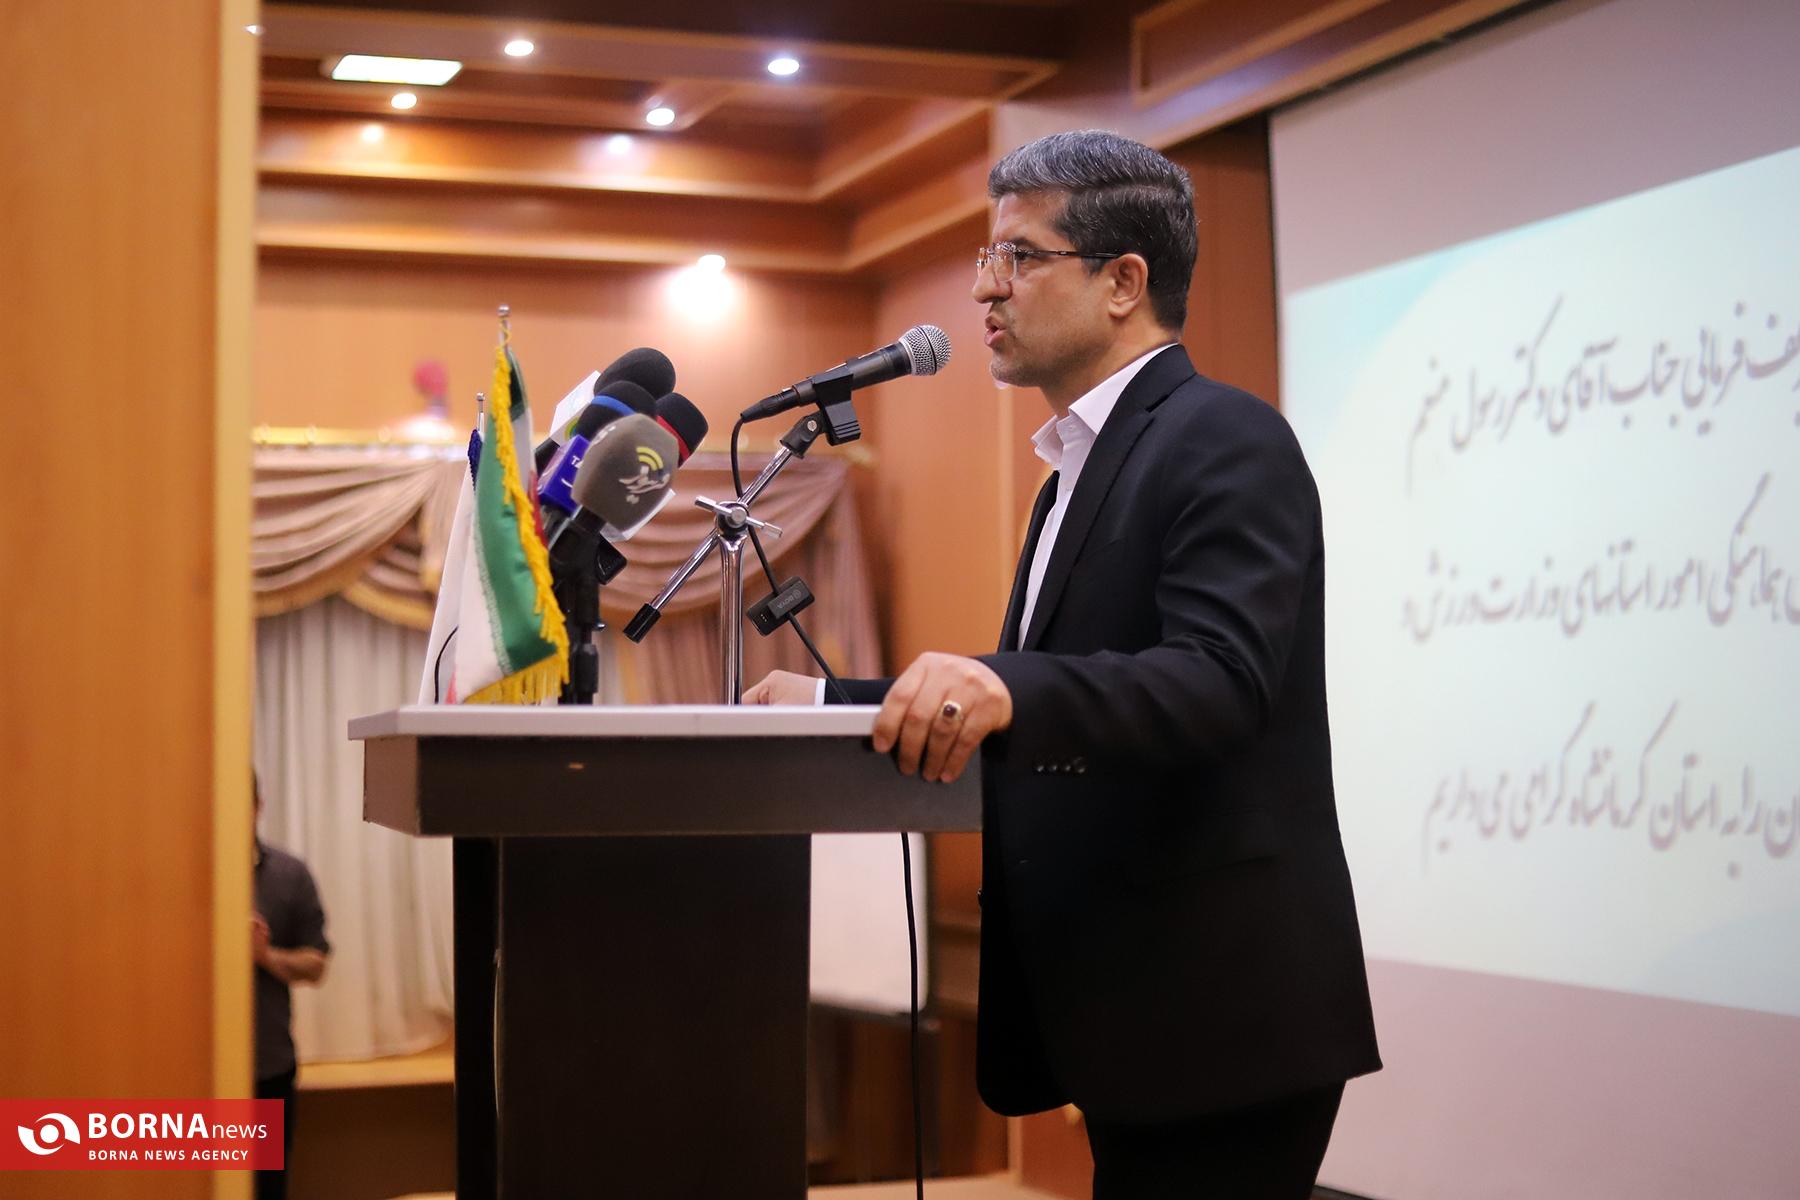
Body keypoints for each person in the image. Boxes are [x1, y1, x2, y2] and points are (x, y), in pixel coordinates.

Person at [745, 129, 1380, 1197]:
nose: (984, 290)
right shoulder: (1072, 474)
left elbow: (1219, 683)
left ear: (1124, 282)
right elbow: (1037, 694)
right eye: (986, 259)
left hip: (1223, 1012)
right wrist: (828, 703)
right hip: (1135, 1005)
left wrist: (1000, 684)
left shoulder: (1225, 436)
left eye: (1020, 258)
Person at [252, 773, 330, 1200]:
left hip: (268, 1069)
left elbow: (316, 965)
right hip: (193, 1073)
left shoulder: (289, 874)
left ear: (257, 806)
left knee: (267, 1190)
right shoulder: (182, 875)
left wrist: (264, 955)